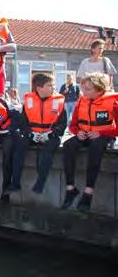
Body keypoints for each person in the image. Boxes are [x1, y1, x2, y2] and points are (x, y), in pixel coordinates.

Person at [62, 73, 118, 212]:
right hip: (85, 134)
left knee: (96, 146)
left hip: (104, 136)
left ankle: (88, 192)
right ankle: (70, 189)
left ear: (99, 90)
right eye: (83, 88)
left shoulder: (112, 102)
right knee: (68, 145)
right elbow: (73, 125)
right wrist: (77, 132)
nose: (83, 91)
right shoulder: (81, 101)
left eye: (88, 89)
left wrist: (102, 133)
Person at [10, 73, 67, 194]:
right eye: (50, 85)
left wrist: (50, 134)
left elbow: (62, 125)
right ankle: (15, 183)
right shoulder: (28, 100)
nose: (54, 88)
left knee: (48, 152)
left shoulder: (60, 101)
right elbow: (23, 123)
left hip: (51, 135)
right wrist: (31, 134)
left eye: (53, 85)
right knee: (19, 148)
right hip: (32, 134)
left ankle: (40, 183)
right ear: (39, 88)